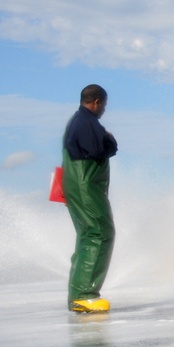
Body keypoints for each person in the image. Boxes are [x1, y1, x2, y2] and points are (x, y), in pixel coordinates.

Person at [62, 84, 118, 313]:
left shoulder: (76, 121)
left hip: (78, 186)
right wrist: (109, 139)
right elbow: (98, 150)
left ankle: (79, 293)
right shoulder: (87, 122)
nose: (104, 109)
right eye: (103, 105)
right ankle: (84, 294)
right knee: (100, 233)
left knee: (88, 233)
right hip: (85, 187)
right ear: (96, 102)